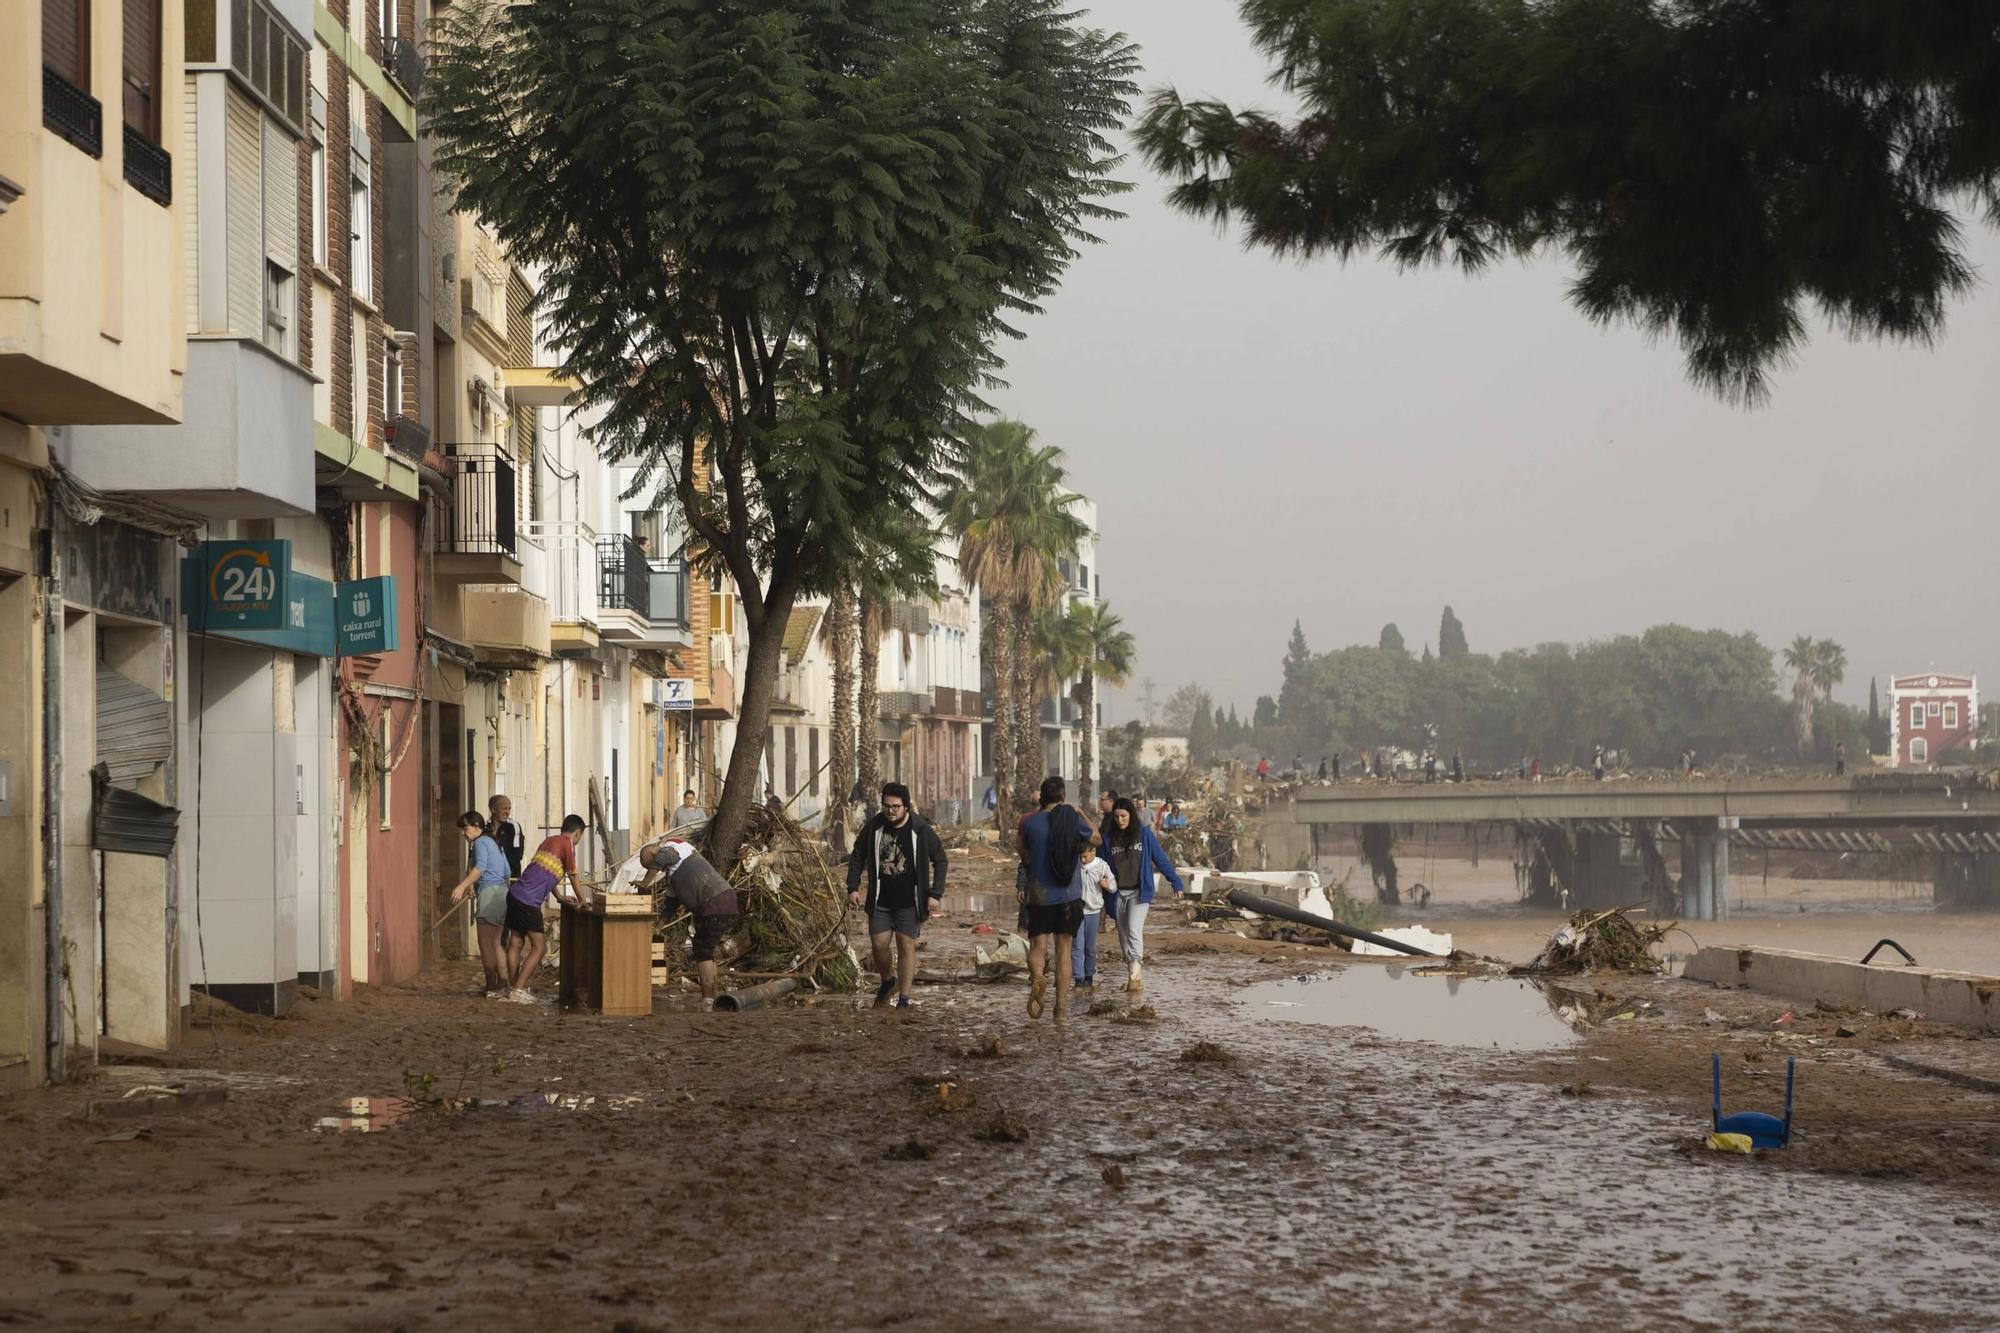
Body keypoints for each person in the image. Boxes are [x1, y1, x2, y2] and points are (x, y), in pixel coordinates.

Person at [846, 781, 949, 1010]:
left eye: (895, 807)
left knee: (906, 945)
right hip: (880, 900)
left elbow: (940, 859)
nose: (890, 811)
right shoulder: (874, 827)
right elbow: (857, 855)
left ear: (906, 807)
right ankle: (887, 981)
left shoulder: (920, 829)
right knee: (879, 945)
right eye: (886, 806)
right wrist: (853, 887)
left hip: (910, 901)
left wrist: (935, 894)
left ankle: (904, 997)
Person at [1017, 776, 1096, 1022]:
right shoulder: (1071, 821)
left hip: (1040, 894)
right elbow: (1097, 839)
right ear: (1062, 797)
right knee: (1064, 950)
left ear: (1041, 797)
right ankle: (1060, 1007)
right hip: (1068, 896)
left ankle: (1038, 976)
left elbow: (1021, 850)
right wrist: (1080, 813)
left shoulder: (1029, 823)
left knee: (1038, 946)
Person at [640, 836, 742, 1000]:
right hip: (718, 902)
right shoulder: (672, 874)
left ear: (653, 854)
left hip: (714, 901)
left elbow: (664, 856)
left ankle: (708, 999)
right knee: (705, 949)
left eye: (652, 866)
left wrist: (645, 883)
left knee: (703, 952)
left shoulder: (673, 847)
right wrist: (657, 928)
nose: (655, 870)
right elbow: (670, 906)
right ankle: (712, 996)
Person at [502, 814, 589, 1003]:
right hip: (528, 901)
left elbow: (543, 871)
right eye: (580, 836)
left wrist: (558, 896)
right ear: (577, 833)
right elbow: (573, 875)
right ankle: (518, 990)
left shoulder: (549, 840)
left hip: (515, 894)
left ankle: (513, 987)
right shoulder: (567, 844)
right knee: (539, 948)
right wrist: (582, 900)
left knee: (516, 942)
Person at [1104, 797, 1184, 993]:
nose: (1120, 820)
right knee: (1123, 936)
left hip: (1140, 892)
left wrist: (1176, 882)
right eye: (1116, 817)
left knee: (1133, 928)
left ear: (1131, 816)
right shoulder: (1107, 839)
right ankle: (1132, 969)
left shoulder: (1145, 835)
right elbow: (1100, 866)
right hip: (1117, 894)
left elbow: (1161, 859)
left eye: (1123, 816)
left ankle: (1135, 975)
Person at [449, 811, 514, 996]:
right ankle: (503, 983)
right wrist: (475, 886)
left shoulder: (480, 843)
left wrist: (462, 886)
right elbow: (507, 872)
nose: (463, 833)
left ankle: (490, 985)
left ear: (477, 826)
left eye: (465, 828)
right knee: (497, 943)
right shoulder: (494, 842)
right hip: (503, 894)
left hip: (489, 894)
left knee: (485, 943)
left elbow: (480, 867)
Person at [1074, 842, 1115, 991]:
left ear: (1093, 852)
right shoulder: (1075, 865)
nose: (1083, 860)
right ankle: (1078, 979)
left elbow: (1114, 886)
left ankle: (1089, 977)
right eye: (1080, 857)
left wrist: (1107, 885)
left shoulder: (1102, 866)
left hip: (1093, 912)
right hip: (1077, 911)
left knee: (1089, 947)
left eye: (1085, 856)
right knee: (1077, 946)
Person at [487, 795, 526, 880]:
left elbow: (517, 854)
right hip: (489, 879)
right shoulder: (485, 828)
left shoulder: (514, 826)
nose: (507, 812)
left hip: (510, 878)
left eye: (509, 809)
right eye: (504, 809)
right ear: (493, 810)